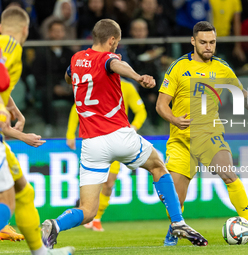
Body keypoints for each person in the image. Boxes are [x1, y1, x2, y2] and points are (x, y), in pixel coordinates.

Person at [41, 19, 208, 248]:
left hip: (91, 144)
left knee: (88, 210)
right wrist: (138, 77)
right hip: (118, 134)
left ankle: (56, 225)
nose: (117, 47)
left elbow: (69, 76)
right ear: (111, 40)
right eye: (116, 43)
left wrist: (76, 80)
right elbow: (116, 65)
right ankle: (177, 222)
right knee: (158, 165)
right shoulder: (110, 58)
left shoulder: (77, 58)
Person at [156, 21, 248, 246]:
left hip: (209, 135)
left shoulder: (222, 68)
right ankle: (174, 228)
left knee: (229, 174)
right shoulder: (177, 67)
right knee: (176, 197)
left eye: (212, 42)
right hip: (181, 140)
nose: (208, 47)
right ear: (193, 41)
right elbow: (161, 105)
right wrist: (174, 119)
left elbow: (242, 95)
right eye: (203, 42)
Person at [0, 6, 75, 255]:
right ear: (26, 29)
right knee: (8, 198)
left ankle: (41, 252)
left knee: (23, 190)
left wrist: (15, 110)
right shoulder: (10, 48)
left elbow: (3, 88)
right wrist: (21, 135)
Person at [66, 78, 147, 231]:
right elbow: (77, 106)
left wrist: (133, 128)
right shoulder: (96, 82)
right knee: (93, 181)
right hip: (95, 137)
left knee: (109, 183)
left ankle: (96, 218)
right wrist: (70, 133)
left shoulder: (127, 87)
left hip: (117, 138)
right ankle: (87, 214)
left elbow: (141, 111)